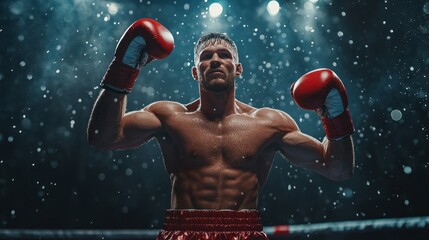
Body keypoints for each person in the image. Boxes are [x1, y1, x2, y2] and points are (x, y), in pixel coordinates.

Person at [87, 18, 355, 240]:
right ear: (195, 72)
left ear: (237, 69)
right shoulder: (168, 116)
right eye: (206, 57)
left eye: (224, 55)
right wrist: (124, 69)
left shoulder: (270, 123)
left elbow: (337, 169)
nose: (215, 60)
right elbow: (104, 137)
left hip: (245, 232)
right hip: (182, 231)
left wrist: (335, 116)